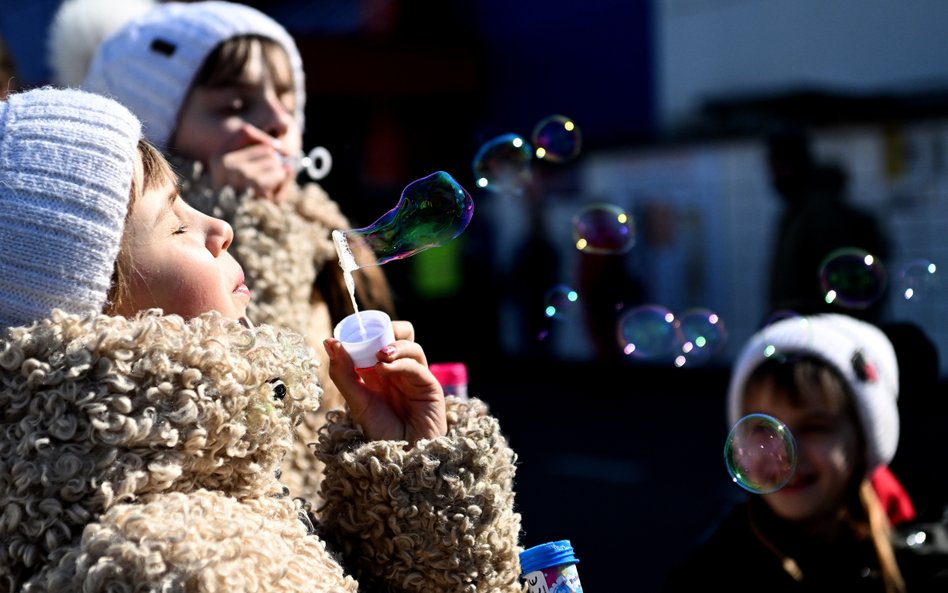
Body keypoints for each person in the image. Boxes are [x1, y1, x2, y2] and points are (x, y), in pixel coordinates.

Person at [0, 86, 523, 592]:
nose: (220, 224)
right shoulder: (178, 567)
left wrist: (412, 472)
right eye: (176, 226)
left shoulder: (221, 491)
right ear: (100, 314)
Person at [67, 0, 398, 504]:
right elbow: (270, 407)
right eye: (235, 107)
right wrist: (252, 225)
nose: (276, 121)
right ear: (155, 132)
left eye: (286, 97)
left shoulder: (327, 237)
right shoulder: (140, 269)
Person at [661, 313, 948, 593]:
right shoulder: (711, 575)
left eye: (814, 427)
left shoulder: (927, 563)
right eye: (763, 429)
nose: (783, 452)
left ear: (863, 442)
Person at [764, 128, 892, 324]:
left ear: (798, 164)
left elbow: (843, 284)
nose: (773, 178)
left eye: (778, 168)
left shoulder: (818, 215)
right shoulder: (797, 213)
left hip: (821, 333)